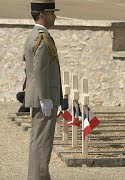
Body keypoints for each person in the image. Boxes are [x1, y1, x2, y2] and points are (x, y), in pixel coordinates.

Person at [24, 0, 62, 179]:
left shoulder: (35, 35)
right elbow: (39, 70)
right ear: (42, 14)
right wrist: (44, 97)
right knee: (42, 143)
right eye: (51, 13)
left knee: (38, 142)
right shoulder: (41, 37)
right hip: (44, 98)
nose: (54, 16)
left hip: (42, 96)